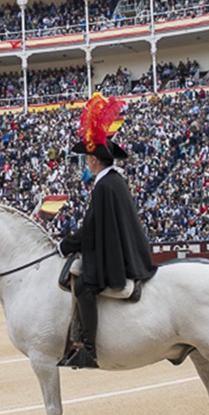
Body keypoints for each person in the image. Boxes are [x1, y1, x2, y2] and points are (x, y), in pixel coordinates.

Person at [56, 94, 158, 369]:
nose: (86, 162)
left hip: (118, 257)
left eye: (88, 157)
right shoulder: (114, 182)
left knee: (85, 288)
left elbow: (91, 228)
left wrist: (66, 245)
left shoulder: (104, 186)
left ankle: (88, 348)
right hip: (129, 251)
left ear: (94, 159)